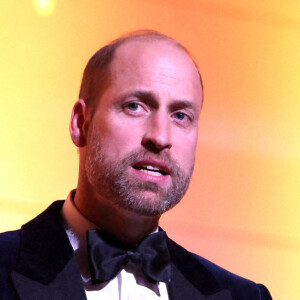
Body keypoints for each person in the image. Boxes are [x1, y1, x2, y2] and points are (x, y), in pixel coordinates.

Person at [0, 30, 272, 300]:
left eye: (180, 115)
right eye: (135, 106)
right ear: (81, 123)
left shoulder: (246, 296)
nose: (160, 137)